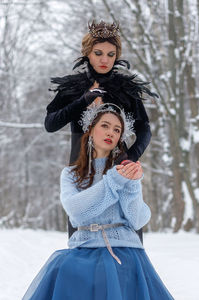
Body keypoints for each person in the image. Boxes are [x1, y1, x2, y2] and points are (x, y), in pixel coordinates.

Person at [22, 104, 173, 300]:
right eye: (105, 126)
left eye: (117, 130)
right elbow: (76, 212)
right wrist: (114, 180)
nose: (111, 132)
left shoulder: (125, 170)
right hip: (84, 250)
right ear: (91, 129)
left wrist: (133, 184)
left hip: (124, 253)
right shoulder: (70, 174)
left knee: (117, 271)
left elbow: (137, 219)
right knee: (64, 269)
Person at [45, 20, 158, 240]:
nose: (104, 60)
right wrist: (82, 100)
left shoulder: (126, 88)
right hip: (81, 164)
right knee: (82, 234)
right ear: (87, 53)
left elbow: (145, 128)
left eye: (110, 54)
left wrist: (130, 157)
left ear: (117, 56)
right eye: (98, 53)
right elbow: (50, 124)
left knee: (127, 229)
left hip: (119, 163)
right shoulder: (72, 88)